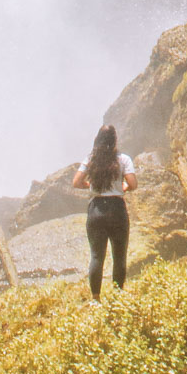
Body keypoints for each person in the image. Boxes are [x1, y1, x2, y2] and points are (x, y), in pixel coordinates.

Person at [72, 124, 137, 300]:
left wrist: (90, 186)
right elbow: (133, 184)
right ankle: (117, 296)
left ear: (97, 140)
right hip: (117, 209)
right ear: (115, 140)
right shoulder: (123, 159)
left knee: (96, 256)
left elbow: (76, 182)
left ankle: (95, 298)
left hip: (96, 210)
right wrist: (123, 186)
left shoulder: (91, 159)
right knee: (119, 256)